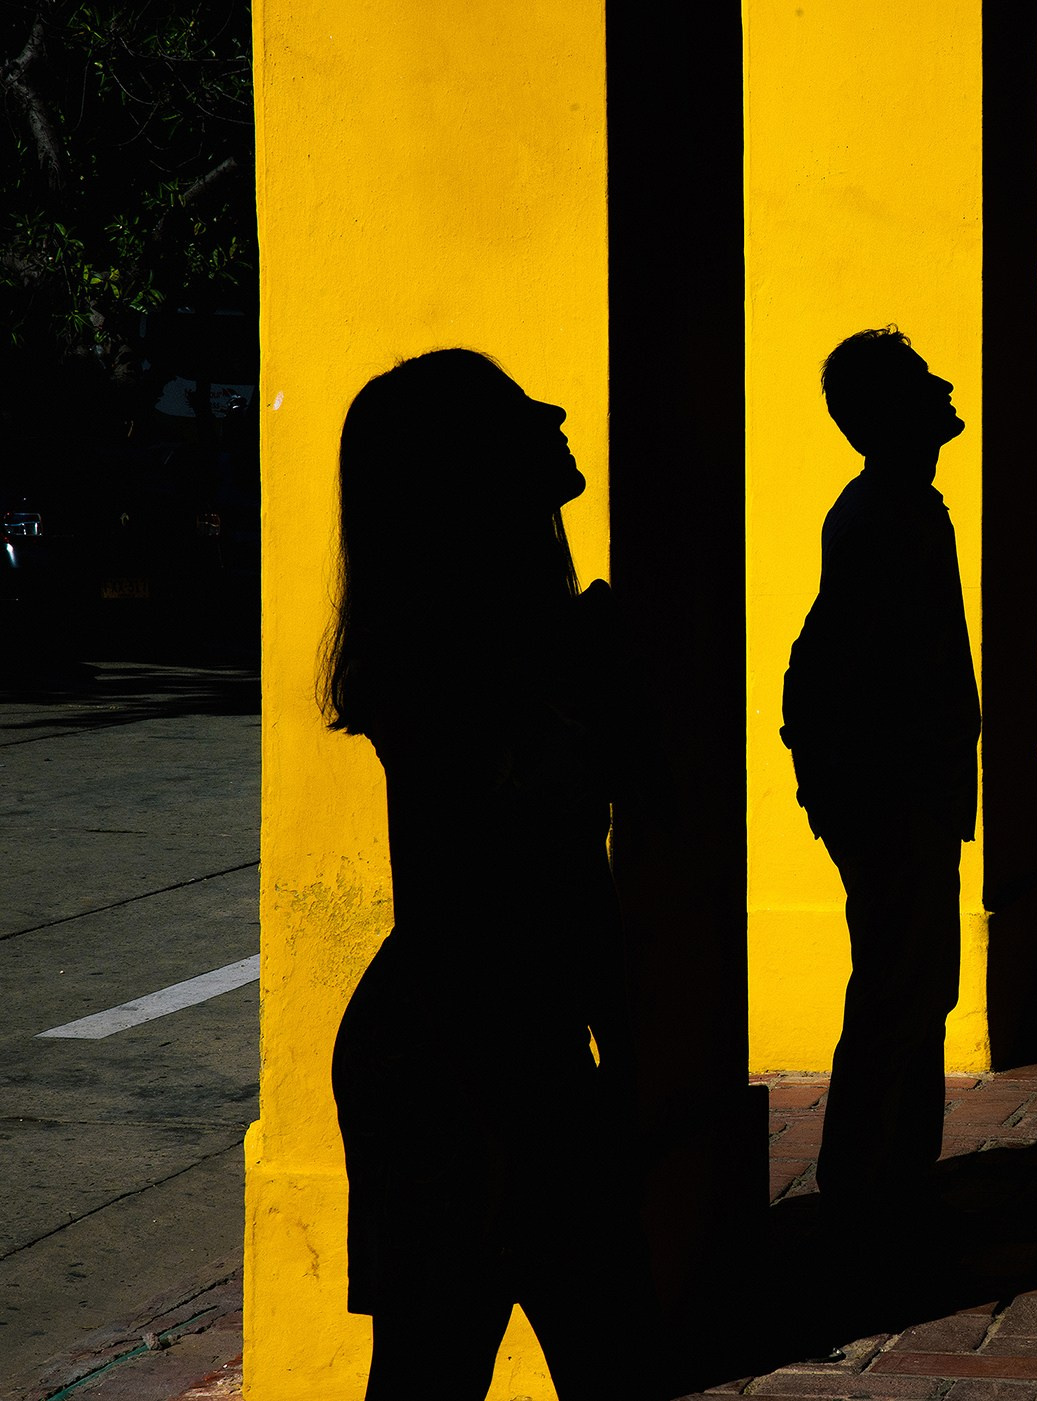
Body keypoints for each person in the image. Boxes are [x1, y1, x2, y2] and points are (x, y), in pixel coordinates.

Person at [323, 349, 654, 1398]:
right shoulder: (454, 676)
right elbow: (506, 884)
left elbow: (568, 874)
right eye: (519, 411)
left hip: (488, 1048)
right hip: (464, 1058)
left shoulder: (522, 651)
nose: (552, 413)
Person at [781, 327, 980, 1226]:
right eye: (923, 381)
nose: (945, 388)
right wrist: (857, 795)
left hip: (909, 788)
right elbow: (848, 667)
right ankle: (865, 1177)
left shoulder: (904, 508)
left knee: (916, 979)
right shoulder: (877, 519)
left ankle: (894, 1169)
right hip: (893, 792)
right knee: (898, 982)